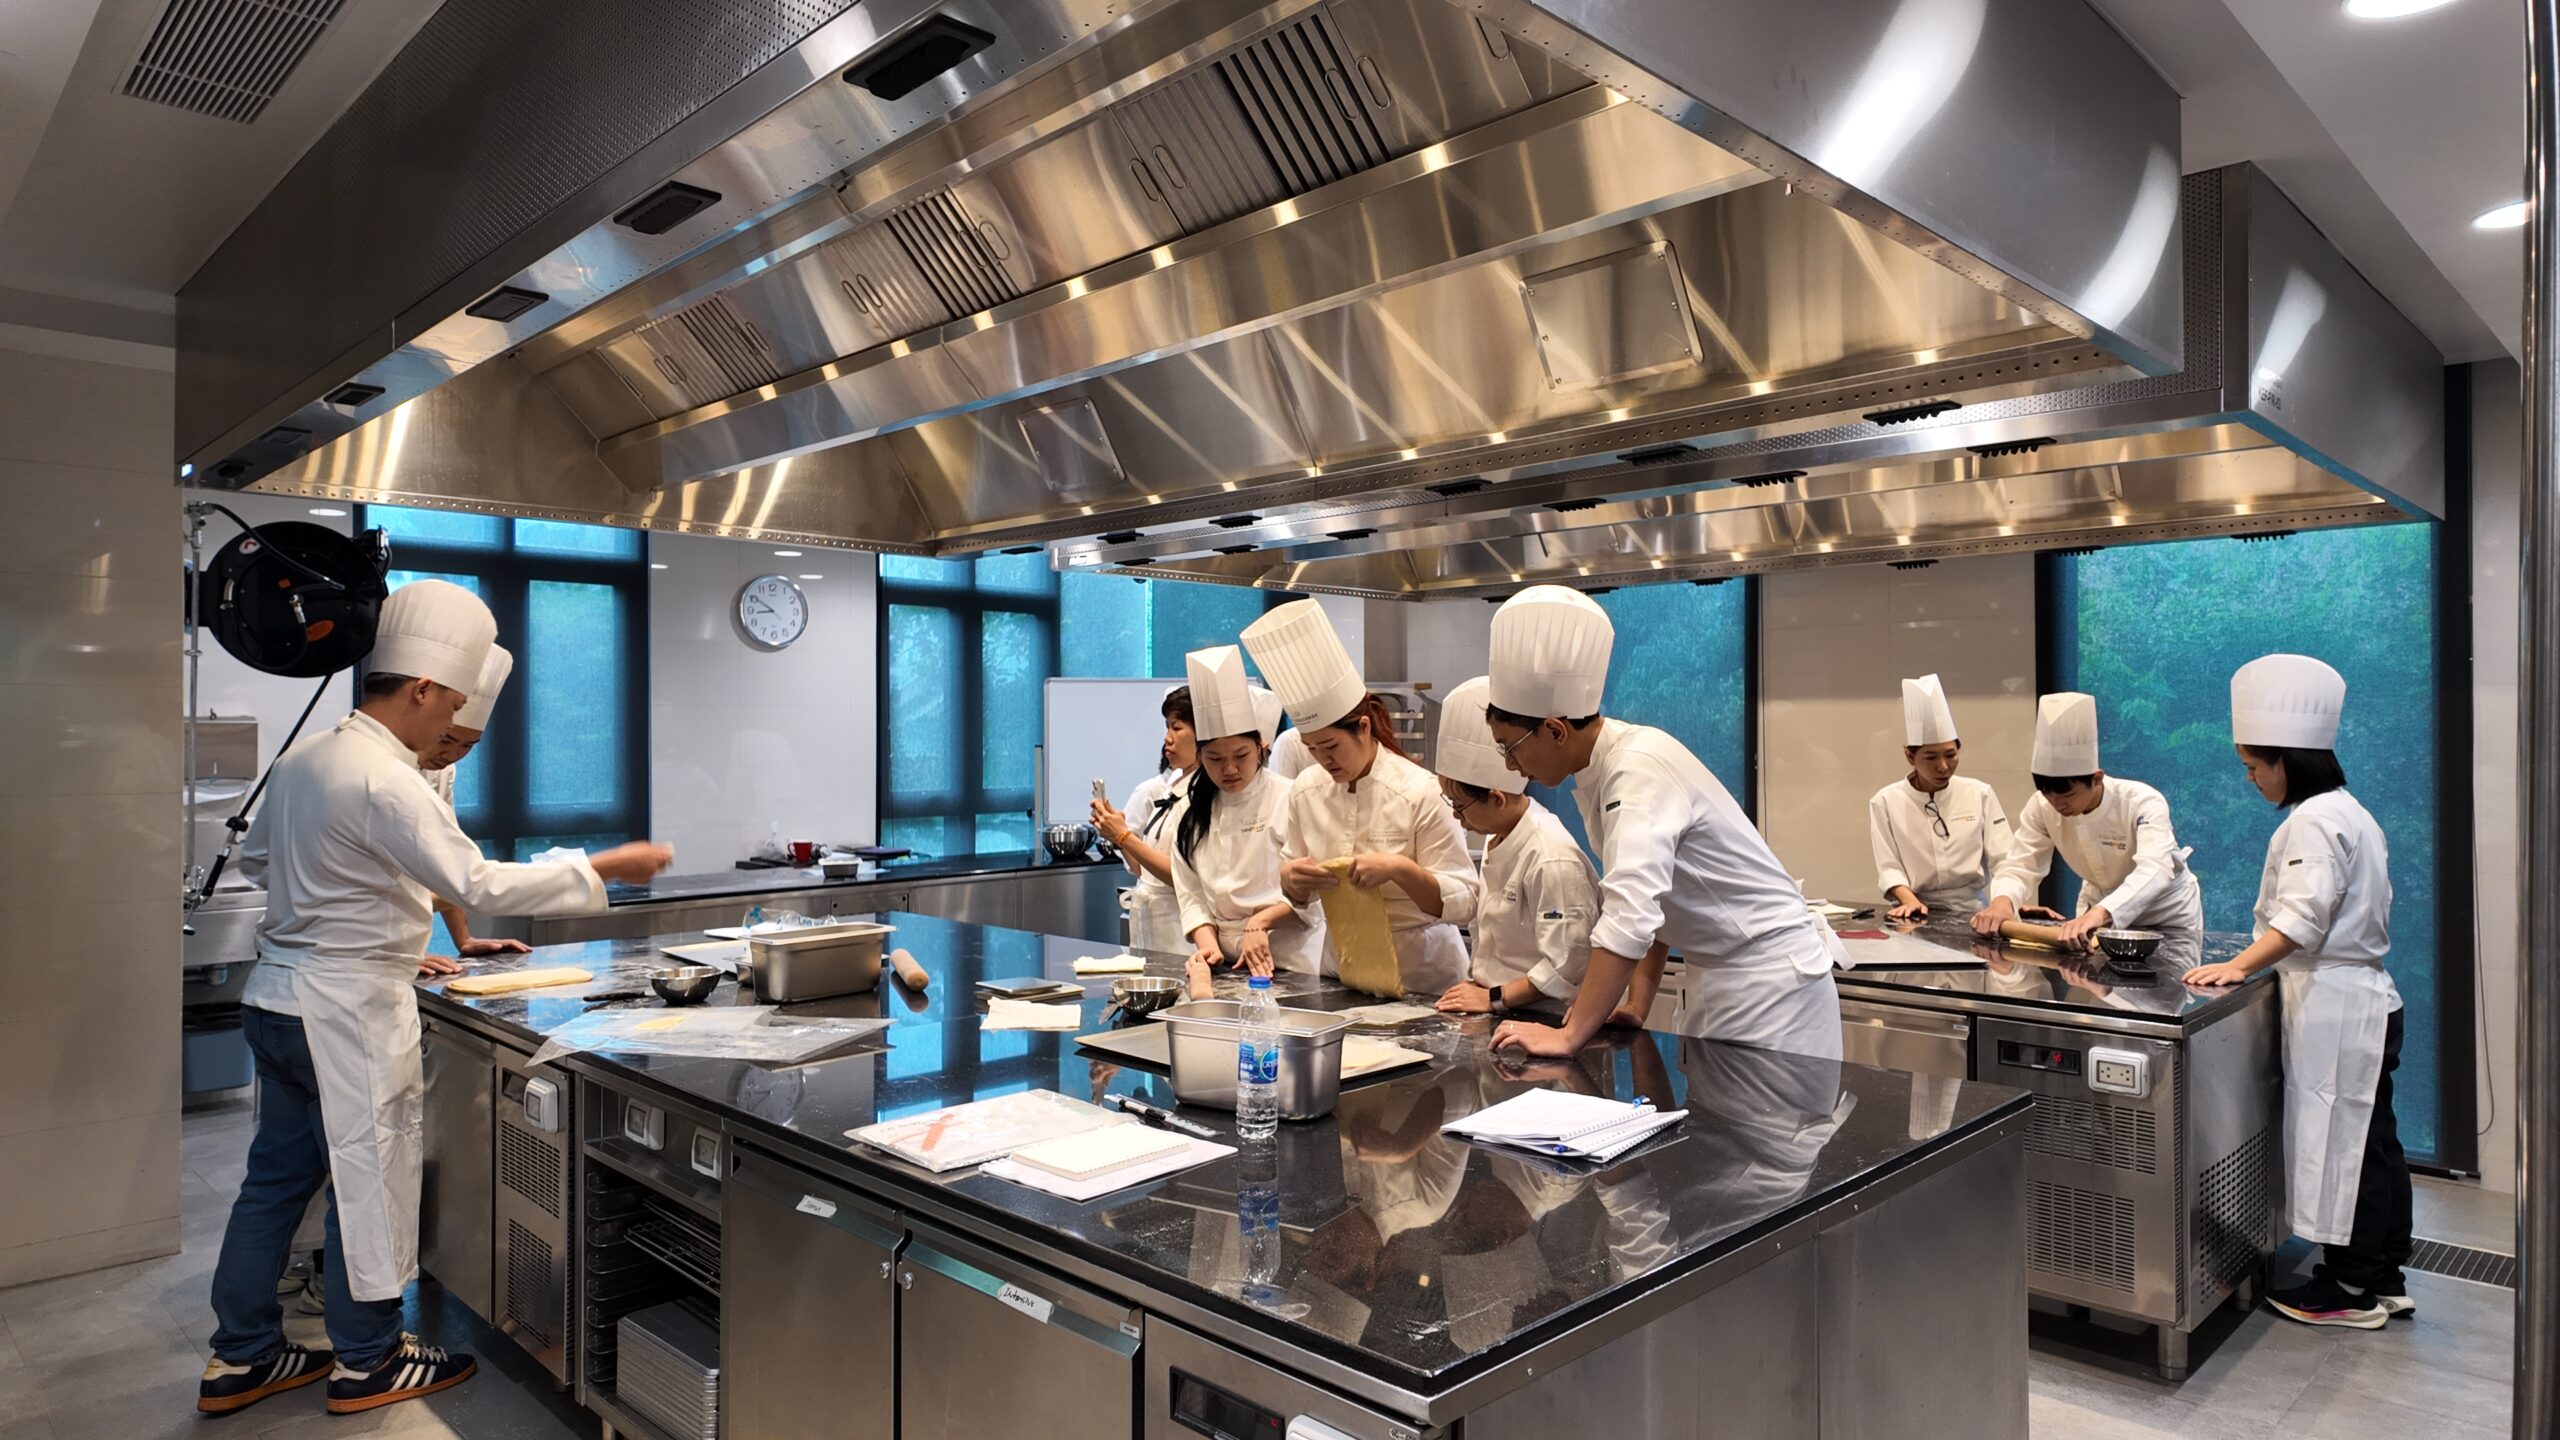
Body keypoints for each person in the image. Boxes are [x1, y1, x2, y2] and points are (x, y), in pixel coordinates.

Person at [200, 580, 677, 1419]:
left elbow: (261, 871)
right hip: (343, 1013)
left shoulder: (306, 757)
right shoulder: (384, 777)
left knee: (273, 1182)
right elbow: (476, 877)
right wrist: (604, 866)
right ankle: (368, 1363)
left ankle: (240, 1357)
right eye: (451, 707)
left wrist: (379, 933)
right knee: (367, 1178)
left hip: (275, 1002)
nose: (449, 733)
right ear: (422, 688)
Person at [1480, 587, 1843, 1060]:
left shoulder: (1636, 770)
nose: (1509, 765)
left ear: (1554, 730)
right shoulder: (1606, 770)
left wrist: (1569, 1037)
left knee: (1772, 1133)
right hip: (1726, 979)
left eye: (1509, 746)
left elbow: (1631, 912)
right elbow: (1655, 900)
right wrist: (1637, 1002)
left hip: (1771, 988)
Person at [2184, 655, 2410, 1328]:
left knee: (2345, 1143)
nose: (2251, 780)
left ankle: (2351, 1289)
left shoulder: (2313, 821)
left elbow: (2303, 918)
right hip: (2364, 999)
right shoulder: (2349, 810)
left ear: (2286, 760)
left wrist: (2239, 965)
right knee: (2372, 1145)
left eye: (2254, 767)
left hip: (2338, 1005)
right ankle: (2383, 1274)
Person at [1242, 599, 1478, 995]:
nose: (1322, 759)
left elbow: (1464, 899)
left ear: (1364, 727)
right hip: (1342, 973)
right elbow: (1295, 892)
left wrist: (1400, 869)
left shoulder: (1420, 790)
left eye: (1331, 746)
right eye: (1312, 748)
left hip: (1423, 978)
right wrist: (1292, 880)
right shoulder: (1306, 790)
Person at [1426, 675, 1600, 1019]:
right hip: (1501, 1011)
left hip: (1544, 1019)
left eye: (1460, 806)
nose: (1456, 818)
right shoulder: (1498, 837)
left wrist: (1494, 996)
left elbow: (1567, 963)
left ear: (1496, 798)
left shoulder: (1550, 858)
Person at [1973, 692, 2204, 949]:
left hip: (2165, 915)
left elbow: (2155, 869)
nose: (2057, 804)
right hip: (2097, 914)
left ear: (2096, 778)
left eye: (2067, 795)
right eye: (2047, 794)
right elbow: (2021, 865)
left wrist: (2101, 913)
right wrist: (2002, 902)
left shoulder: (2142, 801)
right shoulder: (2042, 807)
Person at [1166, 646, 1316, 996]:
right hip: (1222, 968)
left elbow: (1315, 895)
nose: (1229, 769)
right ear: (1200, 756)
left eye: (1241, 756)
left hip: (1290, 960)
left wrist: (1260, 924)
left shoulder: (1292, 798)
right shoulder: (1190, 812)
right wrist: (1207, 943)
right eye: (1215, 758)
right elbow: (1189, 892)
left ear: (1262, 748)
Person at [415, 645, 530, 964]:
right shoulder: (378, 770)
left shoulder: (441, 772)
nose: (451, 755)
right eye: (447, 740)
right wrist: (401, 956)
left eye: (468, 745)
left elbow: (448, 861)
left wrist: (464, 939)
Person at [1869, 674, 2012, 920]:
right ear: (1909, 756)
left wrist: (2002, 903)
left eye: (1951, 754)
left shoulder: (1980, 793)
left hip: (1973, 912)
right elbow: (1889, 867)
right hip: (1913, 912)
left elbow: (2006, 859)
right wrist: (1909, 900)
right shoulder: (1885, 801)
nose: (1944, 767)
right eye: (1931, 757)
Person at [1091, 685, 1197, 954]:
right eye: (1166, 727)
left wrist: (1124, 837)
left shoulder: (1205, 794)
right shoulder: (1172, 785)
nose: (1167, 738)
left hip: (1184, 938)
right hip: (1153, 935)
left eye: (1177, 727)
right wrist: (1120, 836)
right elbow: (1144, 871)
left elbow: (1181, 875)